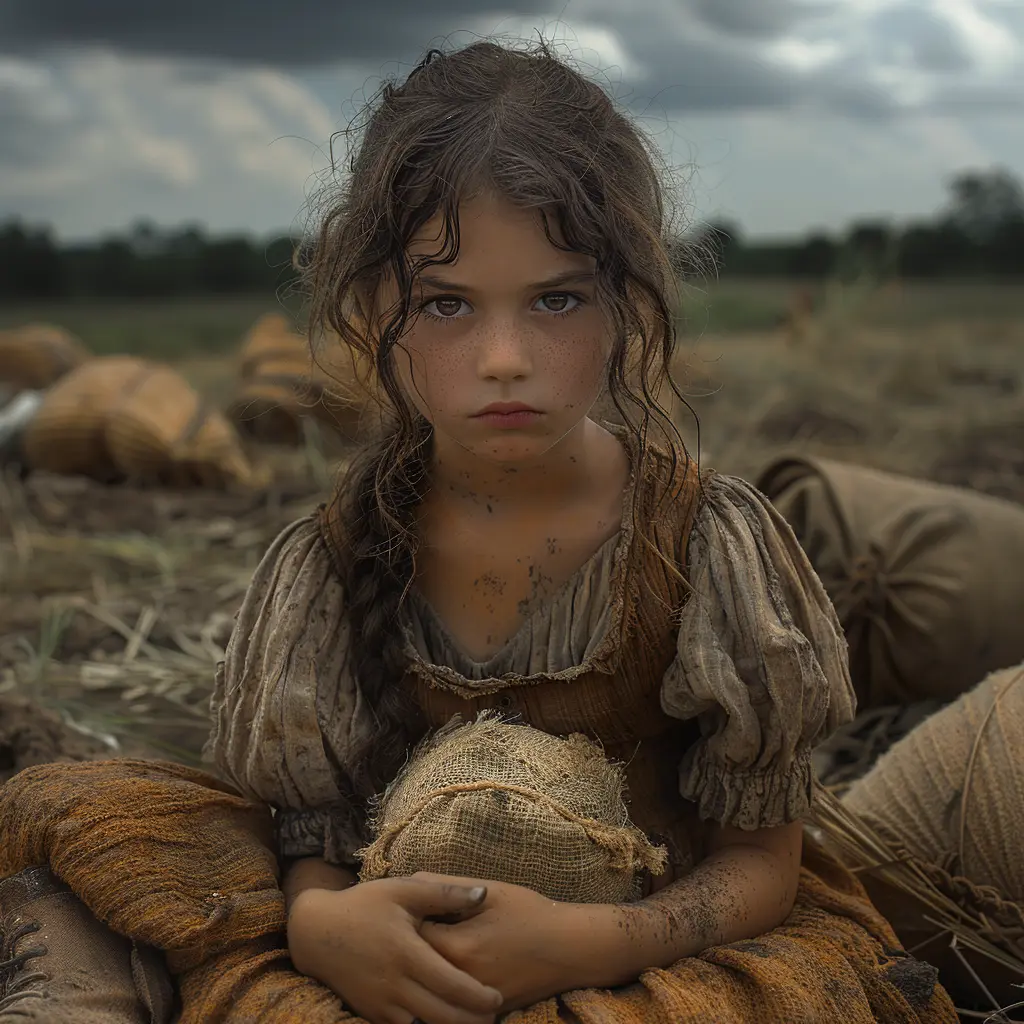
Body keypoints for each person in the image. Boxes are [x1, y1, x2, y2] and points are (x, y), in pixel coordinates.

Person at [0, 37, 956, 1024]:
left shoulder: (704, 540)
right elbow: (311, 844)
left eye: (556, 298)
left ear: (630, 304)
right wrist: (327, 927)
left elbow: (760, 864)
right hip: (395, 970)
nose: (504, 358)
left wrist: (598, 941)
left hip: (655, 958)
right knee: (91, 814)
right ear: (373, 312)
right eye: (447, 305)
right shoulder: (331, 562)